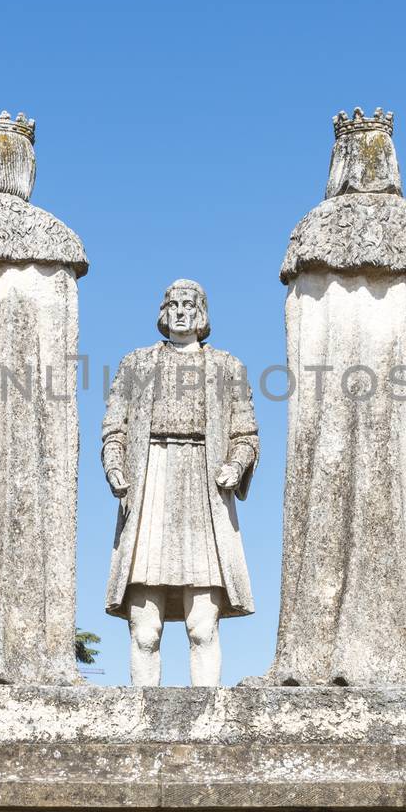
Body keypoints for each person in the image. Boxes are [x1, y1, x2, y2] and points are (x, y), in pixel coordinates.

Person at [102, 279, 257, 686]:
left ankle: (206, 723)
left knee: (202, 626)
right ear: (163, 312)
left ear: (202, 313)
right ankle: (140, 723)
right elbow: (114, 428)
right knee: (145, 628)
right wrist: (115, 466)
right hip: (150, 481)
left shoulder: (227, 366)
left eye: (190, 304)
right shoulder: (134, 364)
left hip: (204, 489)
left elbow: (246, 433)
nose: (181, 311)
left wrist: (237, 465)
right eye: (173, 304)